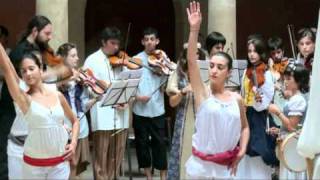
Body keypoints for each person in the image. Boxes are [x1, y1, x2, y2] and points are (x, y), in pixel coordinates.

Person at [184, 2, 249, 179]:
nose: (214, 70)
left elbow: (244, 128)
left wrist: (242, 150)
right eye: (212, 66)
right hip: (201, 169)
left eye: (220, 67)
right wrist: (194, 30)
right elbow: (191, 62)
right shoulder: (203, 93)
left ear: (228, 73)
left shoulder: (237, 98)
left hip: (227, 169)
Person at [0, 43, 79, 179]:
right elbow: (6, 66)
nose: (28, 73)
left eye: (31, 68)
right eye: (24, 71)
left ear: (40, 69)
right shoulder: (23, 95)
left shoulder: (55, 93)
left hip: (58, 160)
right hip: (26, 153)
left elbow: (74, 120)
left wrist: (73, 143)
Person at [83, 26, 129, 180]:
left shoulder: (122, 61)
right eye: (112, 43)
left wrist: (125, 99)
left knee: (117, 156)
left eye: (118, 44)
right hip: (102, 115)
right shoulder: (92, 60)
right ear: (103, 42)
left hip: (121, 114)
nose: (116, 47)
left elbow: (128, 84)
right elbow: (86, 88)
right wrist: (102, 95)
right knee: (101, 157)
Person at [237, 36, 278, 179]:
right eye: (249, 51)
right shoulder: (246, 73)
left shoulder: (266, 74)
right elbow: (242, 94)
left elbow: (264, 104)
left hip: (259, 117)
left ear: (261, 53)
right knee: (244, 153)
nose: (252, 54)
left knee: (258, 152)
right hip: (246, 115)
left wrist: (257, 97)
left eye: (255, 51)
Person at [132, 27, 168, 180]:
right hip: (140, 110)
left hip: (157, 109)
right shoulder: (135, 60)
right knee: (142, 145)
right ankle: (148, 176)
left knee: (160, 144)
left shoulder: (162, 59)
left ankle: (162, 176)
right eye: (146, 39)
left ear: (157, 41)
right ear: (142, 41)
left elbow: (167, 83)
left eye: (152, 39)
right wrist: (138, 97)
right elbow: (129, 85)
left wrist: (164, 69)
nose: (149, 42)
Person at [166, 43, 206, 180]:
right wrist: (183, 91)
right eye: (190, 52)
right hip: (184, 119)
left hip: (204, 119)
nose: (193, 55)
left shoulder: (207, 71)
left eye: (196, 53)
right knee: (183, 152)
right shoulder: (178, 72)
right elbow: (172, 103)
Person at [56, 43, 93, 179]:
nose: (77, 58)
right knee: (65, 164)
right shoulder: (55, 76)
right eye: (73, 56)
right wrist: (70, 78)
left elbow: (83, 106)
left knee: (76, 165)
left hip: (80, 124)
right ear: (63, 58)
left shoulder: (80, 78)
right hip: (63, 125)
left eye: (76, 55)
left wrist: (96, 99)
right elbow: (49, 90)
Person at [268, 64, 309, 179]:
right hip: (287, 146)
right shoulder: (294, 98)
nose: (285, 81)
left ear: (299, 81)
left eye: (288, 78)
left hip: (293, 148)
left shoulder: (298, 100)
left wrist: (277, 112)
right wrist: (280, 130)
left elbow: (292, 127)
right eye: (284, 78)